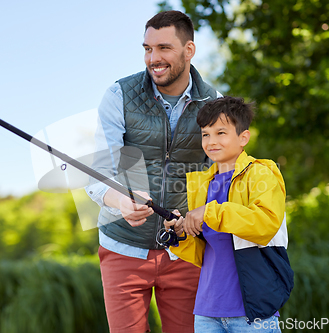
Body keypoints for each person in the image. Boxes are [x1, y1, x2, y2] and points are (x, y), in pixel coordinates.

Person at [85, 10, 221, 333]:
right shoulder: (119, 96)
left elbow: (223, 177)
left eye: (163, 48)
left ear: (189, 51)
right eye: (147, 49)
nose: (153, 58)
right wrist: (120, 201)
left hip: (185, 250)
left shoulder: (214, 103)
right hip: (123, 246)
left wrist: (203, 215)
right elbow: (98, 174)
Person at [165, 96, 293, 332]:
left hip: (252, 313)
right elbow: (205, 252)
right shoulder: (203, 183)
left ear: (243, 137)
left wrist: (210, 212)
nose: (211, 141)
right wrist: (181, 231)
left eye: (221, 132)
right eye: (206, 134)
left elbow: (265, 224)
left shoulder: (261, 174)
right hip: (206, 312)